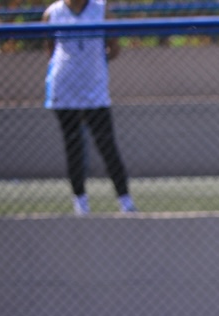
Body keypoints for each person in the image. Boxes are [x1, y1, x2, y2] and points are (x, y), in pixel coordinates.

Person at [43, 0, 135, 215]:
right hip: (64, 90)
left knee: (107, 145)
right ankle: (80, 202)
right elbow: (50, 49)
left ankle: (125, 200)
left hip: (95, 90)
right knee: (73, 146)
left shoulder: (101, 10)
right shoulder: (52, 13)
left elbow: (114, 48)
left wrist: (93, 63)